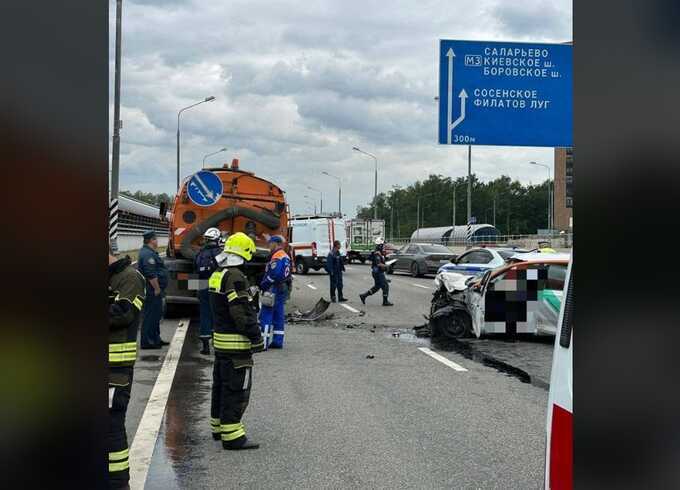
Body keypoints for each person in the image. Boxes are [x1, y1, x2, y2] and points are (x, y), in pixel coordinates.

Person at [208, 232, 265, 450]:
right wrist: (255, 336)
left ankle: (218, 427)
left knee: (220, 387)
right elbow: (241, 311)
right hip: (236, 345)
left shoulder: (218, 273)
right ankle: (232, 436)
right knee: (235, 389)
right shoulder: (236, 277)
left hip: (221, 342)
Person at [109, 246, 146, 489]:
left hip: (115, 370)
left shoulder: (131, 278)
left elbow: (123, 314)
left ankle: (118, 484)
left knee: (110, 427)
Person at [137, 231, 169, 349]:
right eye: (156, 239)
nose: (157, 241)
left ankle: (156, 338)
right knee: (150, 315)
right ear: (151, 240)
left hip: (155, 290)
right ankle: (148, 341)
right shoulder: (147, 255)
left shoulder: (150, 252)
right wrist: (156, 288)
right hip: (151, 290)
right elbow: (150, 274)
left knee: (156, 315)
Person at [259, 235, 291, 348]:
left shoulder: (277, 256)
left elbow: (274, 274)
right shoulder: (285, 256)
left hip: (273, 288)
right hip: (282, 287)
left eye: (270, 243)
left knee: (266, 314)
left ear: (275, 243)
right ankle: (278, 341)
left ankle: (263, 342)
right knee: (278, 315)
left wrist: (264, 284)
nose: (269, 246)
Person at [194, 227, 223, 354]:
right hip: (216, 286)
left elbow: (195, 269)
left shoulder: (200, 253)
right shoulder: (220, 253)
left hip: (202, 285)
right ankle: (218, 344)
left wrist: (195, 288)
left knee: (204, 314)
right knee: (218, 314)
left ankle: (205, 347)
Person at [359, 237, 394, 306]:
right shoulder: (377, 254)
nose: (384, 246)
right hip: (378, 273)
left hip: (377, 272)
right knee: (385, 286)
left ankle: (364, 296)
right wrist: (387, 266)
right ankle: (385, 301)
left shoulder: (379, 253)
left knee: (377, 287)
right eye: (383, 245)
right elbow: (379, 264)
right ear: (380, 246)